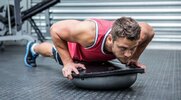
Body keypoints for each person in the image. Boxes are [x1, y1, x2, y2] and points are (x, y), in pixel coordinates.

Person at [24, 17, 154, 80]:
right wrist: (68, 63)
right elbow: (55, 29)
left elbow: (150, 32)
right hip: (76, 53)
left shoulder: (141, 34)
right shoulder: (88, 32)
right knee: (52, 52)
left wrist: (134, 57)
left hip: (97, 57)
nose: (127, 54)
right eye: (123, 48)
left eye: (132, 48)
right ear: (110, 39)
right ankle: (33, 48)